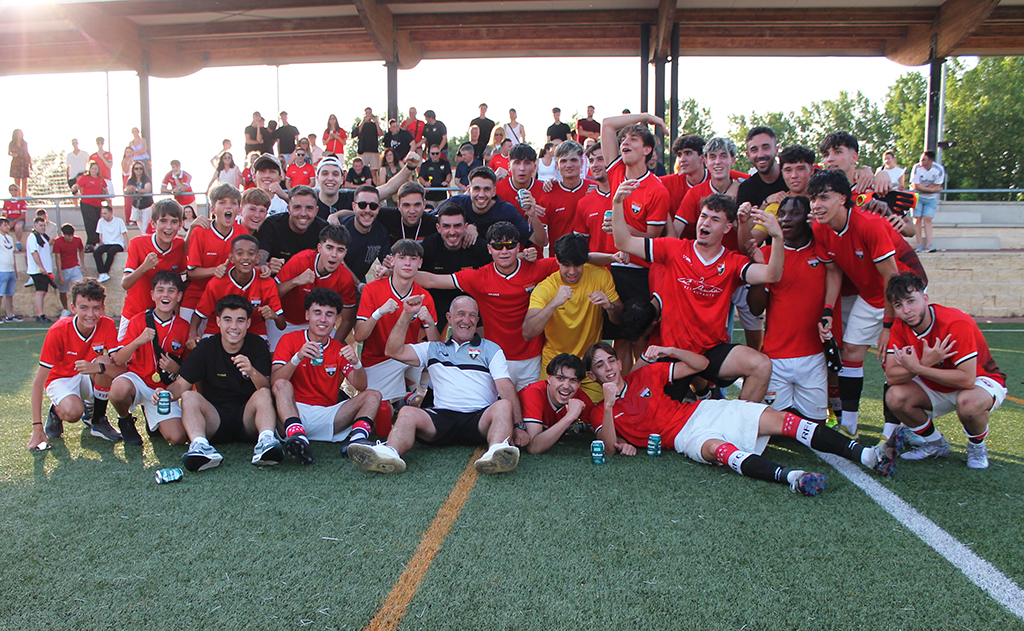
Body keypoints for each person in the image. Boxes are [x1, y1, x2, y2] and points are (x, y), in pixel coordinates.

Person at [585, 341, 913, 494]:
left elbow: (700, 365)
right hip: (682, 438)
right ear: (593, 375)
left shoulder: (647, 375)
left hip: (704, 410)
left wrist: (669, 352)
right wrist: (612, 405)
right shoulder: (601, 410)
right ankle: (794, 478)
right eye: (601, 366)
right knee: (718, 451)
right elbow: (611, 449)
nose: (609, 368)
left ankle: (869, 456)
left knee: (785, 421)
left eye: (611, 360)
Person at [613, 186, 783, 403]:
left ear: (727, 227)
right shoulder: (674, 249)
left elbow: (772, 274)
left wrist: (777, 236)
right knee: (646, 414)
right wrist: (617, 204)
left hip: (712, 351)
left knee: (761, 365)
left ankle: (737, 424)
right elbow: (623, 243)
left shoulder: (732, 262)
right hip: (674, 356)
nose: (705, 223)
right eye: (703, 216)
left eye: (714, 219)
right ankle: (698, 397)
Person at [348, 294, 523, 474]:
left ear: (477, 320)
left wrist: (519, 426)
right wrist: (406, 315)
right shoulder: (433, 348)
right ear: (449, 317)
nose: (467, 320)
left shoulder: (491, 348)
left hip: (479, 419)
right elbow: (393, 350)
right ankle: (390, 453)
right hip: (441, 419)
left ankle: (496, 452)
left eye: (472, 315)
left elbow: (506, 388)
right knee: (407, 411)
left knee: (503, 405)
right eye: (461, 314)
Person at [883, 272, 1006, 469]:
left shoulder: (955, 322)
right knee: (895, 396)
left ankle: (977, 445)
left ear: (925, 299)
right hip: (936, 382)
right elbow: (891, 376)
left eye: (911, 301)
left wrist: (919, 367)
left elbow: (967, 379)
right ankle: (936, 444)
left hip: (980, 381)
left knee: (969, 403)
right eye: (899, 305)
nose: (906, 310)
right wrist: (922, 364)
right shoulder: (900, 326)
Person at [810, 168, 899, 438]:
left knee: (894, 362)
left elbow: (892, 279)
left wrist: (888, 326)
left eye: (824, 197)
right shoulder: (820, 227)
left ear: (843, 198)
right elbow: (834, 272)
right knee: (850, 353)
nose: (816, 205)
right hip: (871, 296)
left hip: (901, 296)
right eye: (813, 199)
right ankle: (849, 425)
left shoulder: (869, 225)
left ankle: (894, 432)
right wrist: (827, 311)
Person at [416, 221, 557, 389]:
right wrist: (397, 272)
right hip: (495, 358)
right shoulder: (479, 277)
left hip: (532, 358)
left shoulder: (537, 268)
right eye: (498, 246)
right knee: (499, 411)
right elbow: (433, 280)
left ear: (518, 247)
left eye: (510, 245)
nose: (504, 251)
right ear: (489, 249)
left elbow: (573, 262)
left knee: (529, 409)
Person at [156, 294, 280, 471]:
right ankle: (200, 446)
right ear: (218, 321)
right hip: (215, 419)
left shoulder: (257, 345)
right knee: (189, 396)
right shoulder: (206, 347)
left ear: (248, 324)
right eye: (228, 320)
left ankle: (266, 442)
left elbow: (267, 388)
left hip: (248, 419)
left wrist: (252, 371)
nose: (234, 327)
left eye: (240, 320)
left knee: (263, 393)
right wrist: (166, 394)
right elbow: (180, 384)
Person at [271, 287, 383, 465]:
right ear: (307, 315)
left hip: (328, 415)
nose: (323, 320)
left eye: (329, 314)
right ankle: (298, 436)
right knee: (282, 385)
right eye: (317, 313)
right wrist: (297, 357)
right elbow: (275, 381)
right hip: (293, 412)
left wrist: (356, 362)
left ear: (337, 319)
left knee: (374, 395)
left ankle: (356, 442)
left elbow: (360, 386)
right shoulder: (289, 340)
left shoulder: (339, 348)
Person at [746, 196, 828, 421]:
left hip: (814, 356)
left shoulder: (824, 251)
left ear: (808, 218)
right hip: (776, 357)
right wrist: (761, 270)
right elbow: (755, 309)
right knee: (774, 430)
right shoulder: (767, 253)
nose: (786, 219)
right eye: (782, 214)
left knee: (815, 426)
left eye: (795, 214)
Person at [523, 233, 622, 401]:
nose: (572, 271)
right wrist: (554, 303)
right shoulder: (546, 288)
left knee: (599, 415)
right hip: (555, 366)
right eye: (566, 265)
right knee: (551, 417)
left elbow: (620, 319)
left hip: (589, 367)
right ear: (557, 261)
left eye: (578, 265)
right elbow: (528, 332)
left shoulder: (601, 276)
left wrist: (609, 306)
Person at [29, 278, 124, 451]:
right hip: (60, 378)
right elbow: (38, 382)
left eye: (96, 308)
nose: (90, 314)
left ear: (103, 308)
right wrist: (37, 427)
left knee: (105, 361)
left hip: (87, 375)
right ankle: (56, 412)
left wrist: (98, 367)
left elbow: (120, 368)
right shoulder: (58, 330)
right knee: (73, 412)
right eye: (84, 308)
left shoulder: (107, 324)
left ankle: (98, 420)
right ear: (73, 308)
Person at [110, 271, 192, 445]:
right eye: (160, 290)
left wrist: (176, 369)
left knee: (178, 438)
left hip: (163, 390)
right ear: (152, 295)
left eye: (171, 291)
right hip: (137, 381)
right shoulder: (138, 321)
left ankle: (151, 418)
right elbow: (118, 359)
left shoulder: (184, 327)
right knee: (118, 389)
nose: (165, 295)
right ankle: (125, 420)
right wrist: (138, 341)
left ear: (179, 296)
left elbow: (189, 369)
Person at [354, 239, 439, 402]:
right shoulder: (372, 289)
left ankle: (409, 394)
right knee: (378, 407)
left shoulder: (424, 296)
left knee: (434, 373)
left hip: (407, 360)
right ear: (392, 261)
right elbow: (359, 336)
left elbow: (435, 346)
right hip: (376, 361)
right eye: (402, 257)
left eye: (413, 259)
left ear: (420, 263)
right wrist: (378, 313)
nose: (407, 263)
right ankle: (406, 395)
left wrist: (428, 321)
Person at [192, 233, 284, 351]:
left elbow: (282, 325)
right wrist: (192, 334)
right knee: (205, 355)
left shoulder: (267, 282)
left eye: (250, 253)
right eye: (240, 253)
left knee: (263, 355)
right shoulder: (217, 282)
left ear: (257, 258)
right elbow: (199, 314)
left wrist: (274, 316)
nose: (245, 257)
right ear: (231, 258)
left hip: (254, 330)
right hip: (218, 329)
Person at [274, 225, 357, 348]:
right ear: (319, 248)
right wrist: (295, 281)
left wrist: (333, 347)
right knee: (275, 358)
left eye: (340, 250)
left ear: (345, 252)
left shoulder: (345, 277)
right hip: (283, 320)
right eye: (329, 248)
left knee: (339, 353)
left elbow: (347, 321)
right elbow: (272, 295)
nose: (334, 254)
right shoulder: (300, 260)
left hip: (316, 323)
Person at [181, 183, 248, 321]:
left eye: (233, 203)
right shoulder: (200, 231)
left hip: (229, 299)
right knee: (187, 339)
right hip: (196, 297)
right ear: (213, 209)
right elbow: (191, 272)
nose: (228, 206)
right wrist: (214, 270)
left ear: (239, 209)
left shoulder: (242, 232)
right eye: (222, 202)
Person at [120, 199, 186, 337]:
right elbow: (125, 284)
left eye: (174, 222)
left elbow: (182, 282)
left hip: (164, 318)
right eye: (163, 221)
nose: (168, 227)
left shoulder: (180, 246)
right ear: (153, 223)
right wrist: (144, 267)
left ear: (180, 225)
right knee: (120, 356)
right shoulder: (137, 244)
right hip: (134, 313)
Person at [419, 201, 490, 330]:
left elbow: (501, 260)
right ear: (438, 228)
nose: (452, 232)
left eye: (457, 226)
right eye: (446, 226)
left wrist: (524, 255)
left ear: (465, 227)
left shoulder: (476, 245)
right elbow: (409, 268)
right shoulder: (430, 245)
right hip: (436, 307)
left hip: (471, 309)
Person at [517, 353, 596, 454]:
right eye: (560, 378)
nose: (566, 386)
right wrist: (570, 417)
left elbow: (601, 430)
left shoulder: (580, 398)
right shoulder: (534, 393)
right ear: (549, 378)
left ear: (579, 384)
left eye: (573, 380)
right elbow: (533, 447)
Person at [450, 167, 546, 249]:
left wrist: (533, 215)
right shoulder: (457, 203)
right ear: (469, 190)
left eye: (487, 189)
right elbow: (436, 219)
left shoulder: (506, 211)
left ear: (494, 191)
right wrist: (465, 227)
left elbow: (541, 242)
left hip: (495, 266)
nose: (481, 194)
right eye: (476, 189)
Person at [257, 185, 328, 273]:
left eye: (309, 208)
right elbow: (259, 262)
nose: (303, 213)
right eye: (297, 207)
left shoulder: (323, 229)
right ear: (288, 209)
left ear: (316, 211)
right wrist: (266, 266)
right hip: (278, 280)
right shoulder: (271, 225)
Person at [534, 140, 590, 244]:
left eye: (573, 160)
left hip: (592, 257)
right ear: (557, 165)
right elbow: (540, 237)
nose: (569, 165)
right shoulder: (549, 192)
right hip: (559, 257)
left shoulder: (593, 189)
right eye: (563, 161)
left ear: (581, 162)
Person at [338, 185, 391, 285]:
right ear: (354, 207)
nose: (367, 210)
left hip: (358, 281)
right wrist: (359, 285)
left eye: (373, 206)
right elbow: (338, 263)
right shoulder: (341, 228)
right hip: (334, 281)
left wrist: (386, 268)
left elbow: (387, 261)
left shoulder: (381, 232)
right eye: (362, 205)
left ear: (378, 208)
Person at [736, 126, 786, 209]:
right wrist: (766, 202)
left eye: (766, 147)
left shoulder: (793, 176)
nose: (760, 155)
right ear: (748, 155)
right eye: (754, 150)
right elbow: (744, 222)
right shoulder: (747, 188)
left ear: (776, 150)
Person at [910, 150, 945, 253]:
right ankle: (920, 244)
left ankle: (929, 244)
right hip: (917, 197)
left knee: (928, 219)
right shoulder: (917, 167)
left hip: (930, 199)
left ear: (930, 160)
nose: (921, 161)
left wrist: (923, 188)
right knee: (917, 220)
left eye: (924, 159)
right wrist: (931, 189)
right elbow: (916, 185)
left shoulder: (938, 169)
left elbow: (937, 185)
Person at [71, 161, 107, 251]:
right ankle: (91, 243)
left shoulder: (100, 179)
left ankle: (94, 243)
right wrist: (74, 188)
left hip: (97, 204)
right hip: (87, 203)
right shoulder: (85, 177)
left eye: (96, 169)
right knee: (90, 222)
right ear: (89, 169)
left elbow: (105, 190)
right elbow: (78, 185)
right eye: (92, 168)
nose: (94, 170)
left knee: (96, 223)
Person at [25, 216, 54, 323]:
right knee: (40, 291)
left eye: (44, 225)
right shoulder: (33, 237)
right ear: (35, 226)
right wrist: (41, 267)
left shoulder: (43, 237)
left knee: (43, 291)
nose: (43, 227)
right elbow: (34, 253)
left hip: (44, 270)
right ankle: (39, 314)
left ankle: (41, 314)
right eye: (40, 225)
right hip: (38, 270)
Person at [52, 223, 85, 318]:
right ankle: (65, 309)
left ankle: (79, 309)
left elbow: (81, 250)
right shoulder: (58, 242)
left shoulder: (77, 240)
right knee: (63, 291)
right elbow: (57, 258)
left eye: (71, 235)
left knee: (80, 288)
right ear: (63, 234)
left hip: (75, 267)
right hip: (63, 269)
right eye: (68, 236)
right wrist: (60, 274)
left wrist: (82, 264)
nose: (70, 238)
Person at [93, 204, 126, 282]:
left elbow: (124, 234)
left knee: (111, 252)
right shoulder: (100, 221)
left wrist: (126, 247)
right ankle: (102, 273)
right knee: (96, 252)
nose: (103, 215)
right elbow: (100, 235)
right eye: (102, 213)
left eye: (105, 213)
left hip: (117, 243)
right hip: (106, 244)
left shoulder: (119, 221)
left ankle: (105, 272)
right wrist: (99, 245)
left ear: (111, 213)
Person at [0, 215, 19, 322]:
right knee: (0, 294)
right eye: (5, 225)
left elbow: (13, 254)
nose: (8, 226)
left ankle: (10, 315)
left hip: (10, 269)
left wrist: (15, 269)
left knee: (9, 294)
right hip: (1, 270)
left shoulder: (10, 238)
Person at [124, 161, 153, 229]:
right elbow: (126, 190)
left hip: (146, 206)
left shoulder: (146, 179)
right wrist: (128, 190)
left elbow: (147, 190)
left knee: (145, 227)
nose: (139, 170)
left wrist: (136, 190)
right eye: (136, 168)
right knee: (140, 227)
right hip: (136, 206)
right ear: (133, 170)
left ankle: (145, 238)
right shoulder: (131, 180)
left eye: (140, 168)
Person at [90, 137, 115, 205]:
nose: (100, 144)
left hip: (106, 178)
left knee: (109, 199)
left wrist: (102, 156)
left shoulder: (108, 154)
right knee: (97, 200)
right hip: (97, 179)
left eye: (101, 143)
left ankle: (110, 214)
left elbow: (109, 166)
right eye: (98, 143)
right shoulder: (93, 156)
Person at [2, 183, 26, 251]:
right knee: (4, 226)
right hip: (9, 219)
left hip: (18, 220)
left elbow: (23, 215)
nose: (13, 191)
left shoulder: (22, 201)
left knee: (18, 226)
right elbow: (4, 214)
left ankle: (18, 243)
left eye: (15, 190)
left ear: (18, 191)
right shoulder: (7, 201)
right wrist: (7, 221)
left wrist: (14, 221)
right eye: (11, 190)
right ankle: (6, 243)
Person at [9, 129, 31, 197]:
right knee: (17, 181)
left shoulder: (24, 143)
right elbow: (9, 152)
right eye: (18, 134)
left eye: (21, 133)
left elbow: (27, 153)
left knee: (25, 181)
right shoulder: (12, 143)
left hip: (24, 163)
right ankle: (18, 196)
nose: (20, 135)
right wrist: (13, 154)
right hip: (16, 163)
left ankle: (24, 197)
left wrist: (30, 163)